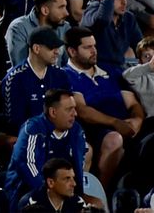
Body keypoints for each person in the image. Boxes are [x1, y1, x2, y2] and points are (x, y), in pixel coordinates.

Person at [62, 22, 141, 189]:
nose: (94, 51)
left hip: (127, 128)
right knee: (114, 139)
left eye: (95, 46)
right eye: (88, 47)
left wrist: (136, 120)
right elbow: (82, 110)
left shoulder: (111, 71)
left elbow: (133, 102)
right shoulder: (66, 76)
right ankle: (101, 192)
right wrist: (115, 123)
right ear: (72, 51)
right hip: (94, 130)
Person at [5, 91, 86, 210]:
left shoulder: (77, 131)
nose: (75, 113)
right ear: (53, 112)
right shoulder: (33, 129)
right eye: (69, 109)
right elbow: (27, 165)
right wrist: (48, 193)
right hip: (28, 190)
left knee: (96, 204)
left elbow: (79, 165)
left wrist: (76, 191)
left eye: (74, 108)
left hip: (63, 189)